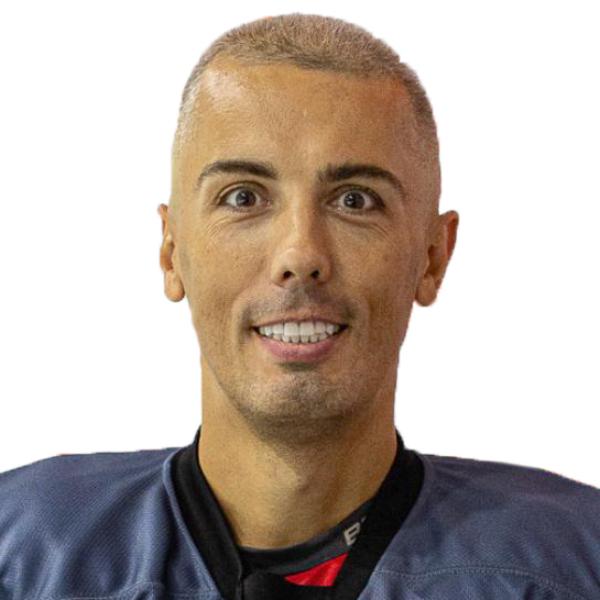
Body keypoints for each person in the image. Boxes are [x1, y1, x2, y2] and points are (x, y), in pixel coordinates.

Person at [1, 12, 598, 600]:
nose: (301, 254)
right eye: (243, 197)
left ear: (433, 257)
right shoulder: (23, 556)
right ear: (171, 251)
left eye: (355, 200)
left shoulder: (573, 563)